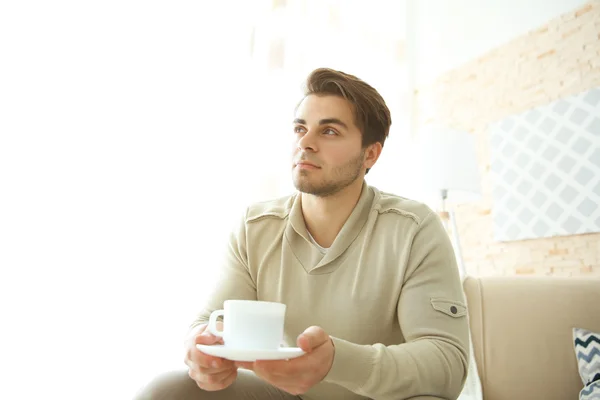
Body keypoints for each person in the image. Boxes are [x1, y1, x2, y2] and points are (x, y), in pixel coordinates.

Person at [135, 68, 469, 400]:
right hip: (286, 395)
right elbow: (211, 319)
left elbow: (446, 363)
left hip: (379, 397)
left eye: (330, 132)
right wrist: (201, 348)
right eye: (300, 128)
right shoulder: (255, 226)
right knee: (167, 390)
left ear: (370, 153)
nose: (305, 143)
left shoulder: (414, 228)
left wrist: (338, 361)